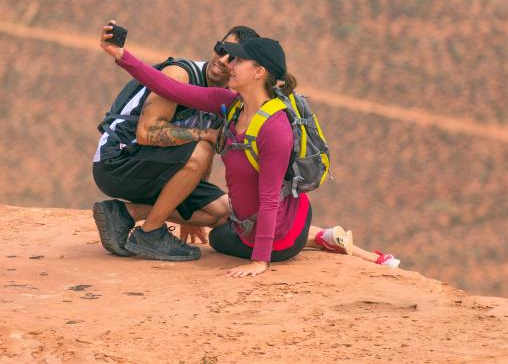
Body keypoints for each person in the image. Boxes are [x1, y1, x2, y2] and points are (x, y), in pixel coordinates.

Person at [100, 23, 402, 276]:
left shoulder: (274, 127)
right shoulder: (231, 105)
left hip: (280, 238)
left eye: (238, 61)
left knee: (220, 236)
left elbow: (270, 199)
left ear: (259, 72)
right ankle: (328, 238)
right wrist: (122, 56)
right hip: (250, 221)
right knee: (220, 218)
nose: (229, 65)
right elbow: (171, 88)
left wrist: (260, 260)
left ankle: (329, 242)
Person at [92, 24, 259, 262]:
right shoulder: (181, 74)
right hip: (117, 162)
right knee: (201, 146)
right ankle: (150, 234)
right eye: (221, 49)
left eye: (233, 58)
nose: (222, 60)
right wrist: (205, 135)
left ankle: (125, 213)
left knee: (225, 213)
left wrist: (185, 198)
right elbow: (147, 132)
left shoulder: (228, 99)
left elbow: (208, 154)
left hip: (158, 167)